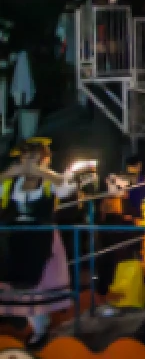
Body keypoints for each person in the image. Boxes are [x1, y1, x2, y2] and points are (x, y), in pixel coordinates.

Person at [0, 140, 76, 346]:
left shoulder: (50, 181)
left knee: (38, 285)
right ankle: (33, 328)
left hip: (42, 239)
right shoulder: (12, 183)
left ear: (45, 159)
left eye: (34, 158)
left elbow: (68, 188)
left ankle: (41, 330)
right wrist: (8, 173)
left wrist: (44, 173)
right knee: (20, 284)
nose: (28, 163)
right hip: (17, 238)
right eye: (25, 158)